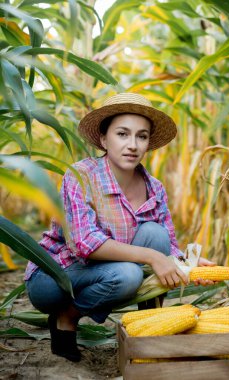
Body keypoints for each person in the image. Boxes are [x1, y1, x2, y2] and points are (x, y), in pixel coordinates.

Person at [24, 92, 215, 362]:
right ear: (104, 139)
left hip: (108, 271)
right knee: (129, 275)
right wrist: (151, 257)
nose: (133, 145)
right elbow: (84, 243)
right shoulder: (81, 175)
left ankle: (149, 327)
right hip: (55, 277)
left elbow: (168, 245)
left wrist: (190, 265)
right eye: (123, 134)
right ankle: (66, 317)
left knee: (155, 234)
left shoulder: (154, 187)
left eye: (142, 136)